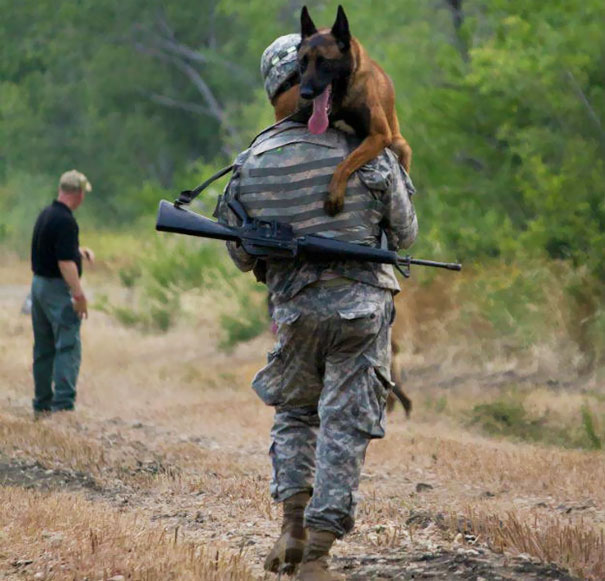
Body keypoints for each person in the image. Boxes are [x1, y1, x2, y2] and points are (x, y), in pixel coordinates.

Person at [217, 35, 418, 581]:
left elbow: (238, 252)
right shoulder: (366, 158)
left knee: (297, 414)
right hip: (361, 315)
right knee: (345, 427)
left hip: (295, 312)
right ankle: (319, 557)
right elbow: (405, 232)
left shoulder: (253, 160)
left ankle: (291, 528)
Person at [30, 169, 94, 417]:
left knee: (44, 347)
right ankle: (63, 406)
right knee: (67, 344)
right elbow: (64, 262)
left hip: (38, 287)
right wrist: (79, 296)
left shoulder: (47, 214)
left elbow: (54, 249)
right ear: (78, 194)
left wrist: (79, 251)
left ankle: (42, 405)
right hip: (57, 289)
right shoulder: (67, 221)